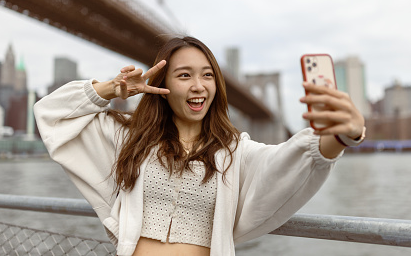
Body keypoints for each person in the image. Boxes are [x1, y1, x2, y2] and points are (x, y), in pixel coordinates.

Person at [34, 36, 365, 256]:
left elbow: (288, 163)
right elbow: (51, 114)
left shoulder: (234, 152)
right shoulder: (130, 139)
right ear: (162, 85)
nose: (198, 86)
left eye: (207, 75)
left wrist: (340, 135)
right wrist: (110, 88)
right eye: (184, 76)